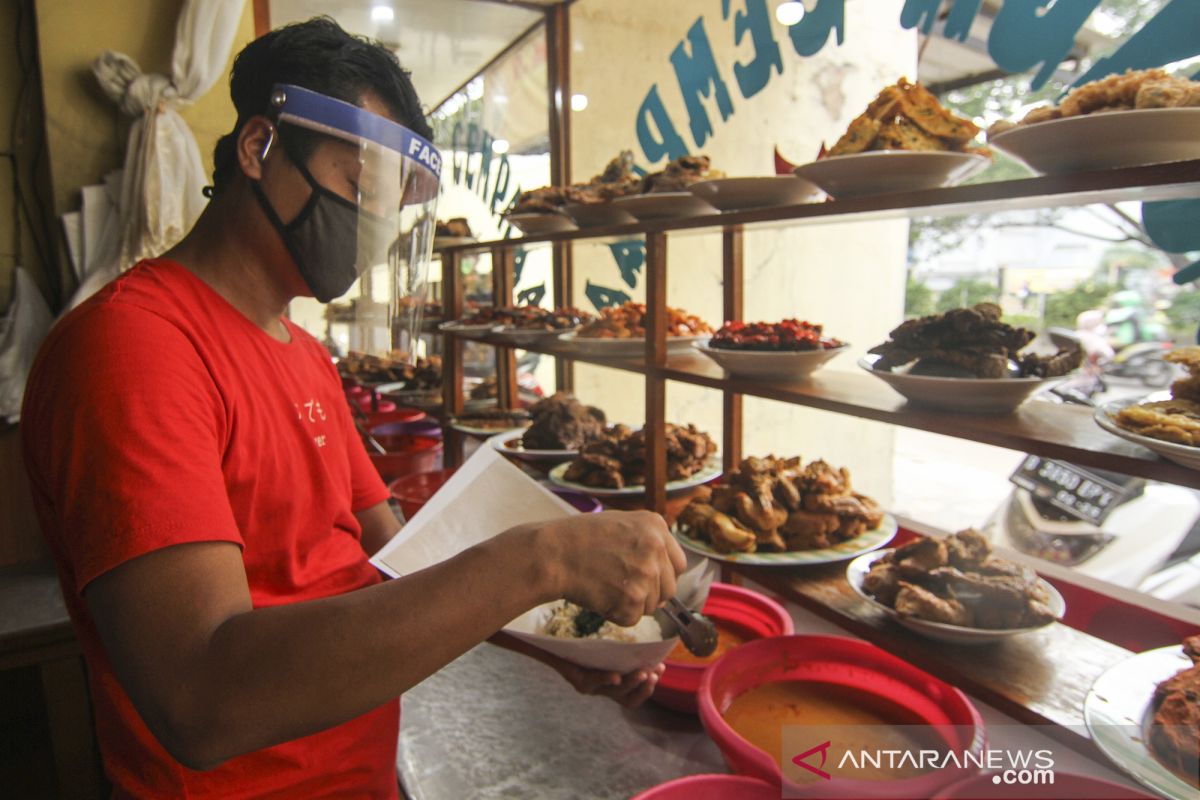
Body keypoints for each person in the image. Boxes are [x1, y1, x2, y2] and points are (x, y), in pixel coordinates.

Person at [21, 18, 684, 799]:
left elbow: (396, 562)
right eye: (359, 185)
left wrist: (557, 639)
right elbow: (200, 696)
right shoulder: (134, 350)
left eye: (392, 203)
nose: (374, 225)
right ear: (258, 147)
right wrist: (543, 559)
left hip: (362, 774)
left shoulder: (302, 355)